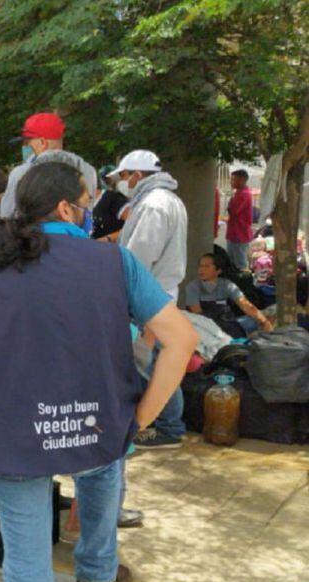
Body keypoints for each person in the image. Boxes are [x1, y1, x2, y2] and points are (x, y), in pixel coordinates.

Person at [0, 161, 197, 582]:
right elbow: (181, 339)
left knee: (28, 561)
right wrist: (140, 418)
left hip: (11, 432)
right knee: (102, 472)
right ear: (64, 208)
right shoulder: (115, 262)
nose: (90, 210)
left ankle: (93, 573)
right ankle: (96, 572)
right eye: (86, 202)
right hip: (96, 423)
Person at [111, 149, 189, 450]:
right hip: (157, 292)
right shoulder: (164, 200)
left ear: (137, 175)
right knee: (156, 362)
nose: (122, 182)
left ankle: (170, 426)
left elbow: (139, 257)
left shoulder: (155, 204)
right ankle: (165, 422)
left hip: (149, 295)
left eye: (124, 176)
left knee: (152, 364)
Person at [0, 112, 98, 220]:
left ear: (42, 142)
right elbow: (88, 212)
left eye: (27, 142)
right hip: (76, 230)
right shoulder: (88, 171)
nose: (26, 146)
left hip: (35, 230)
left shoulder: (22, 173)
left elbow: (6, 214)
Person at [186, 253, 273, 336]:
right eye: (200, 266)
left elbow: (245, 305)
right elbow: (198, 314)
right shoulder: (192, 287)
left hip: (227, 324)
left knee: (258, 319)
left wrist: (264, 322)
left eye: (206, 266)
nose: (201, 269)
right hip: (205, 328)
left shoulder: (227, 285)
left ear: (218, 271)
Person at [225, 169, 254, 271]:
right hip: (235, 233)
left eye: (234, 180)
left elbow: (233, 211)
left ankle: (242, 279)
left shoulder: (243, 194)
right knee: (232, 261)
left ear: (242, 180)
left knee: (240, 264)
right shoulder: (239, 193)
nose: (231, 182)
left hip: (239, 234)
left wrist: (230, 203)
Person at [91, 165, 128, 242]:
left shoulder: (115, 198)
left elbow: (134, 226)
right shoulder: (79, 201)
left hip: (107, 247)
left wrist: (108, 238)